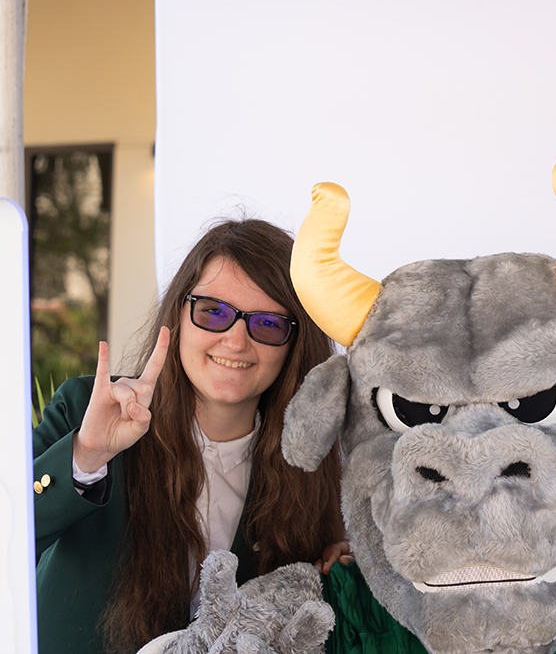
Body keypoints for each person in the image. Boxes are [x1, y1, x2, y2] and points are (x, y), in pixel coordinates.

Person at [32, 219, 348, 654]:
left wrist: (345, 567)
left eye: (268, 324)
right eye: (213, 312)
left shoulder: (315, 467)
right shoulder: (88, 408)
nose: (236, 341)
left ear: (295, 346)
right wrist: (86, 456)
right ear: (179, 316)